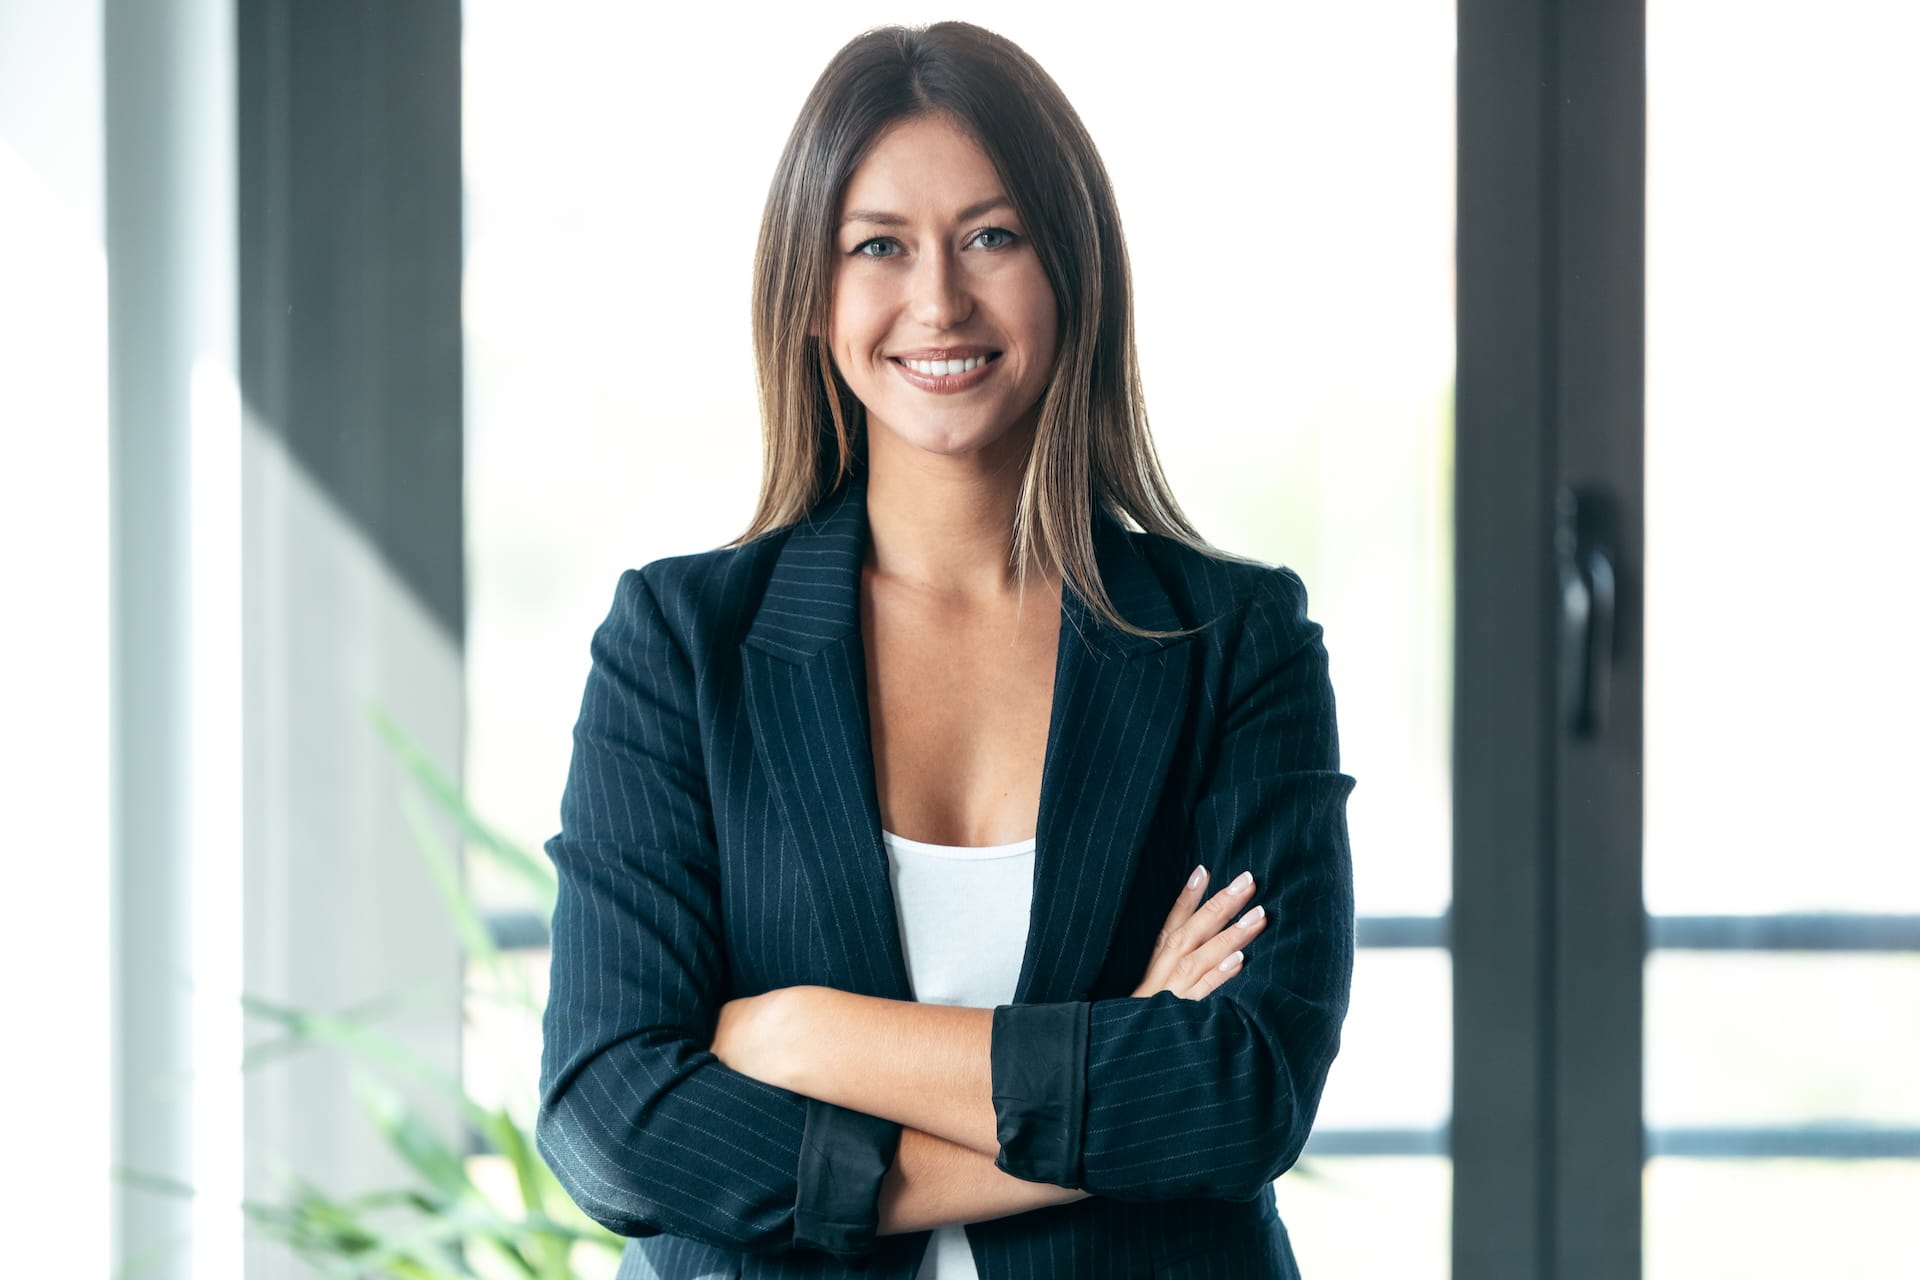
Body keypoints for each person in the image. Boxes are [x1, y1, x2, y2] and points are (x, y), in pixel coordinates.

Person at [535, 20, 1355, 1280]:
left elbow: (1248, 1087)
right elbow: (612, 1118)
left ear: (1070, 269)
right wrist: (1120, 1054)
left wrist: (808, 1034)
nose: (939, 300)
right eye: (879, 245)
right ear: (813, 297)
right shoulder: (681, 643)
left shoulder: (1233, 642)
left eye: (992, 235)